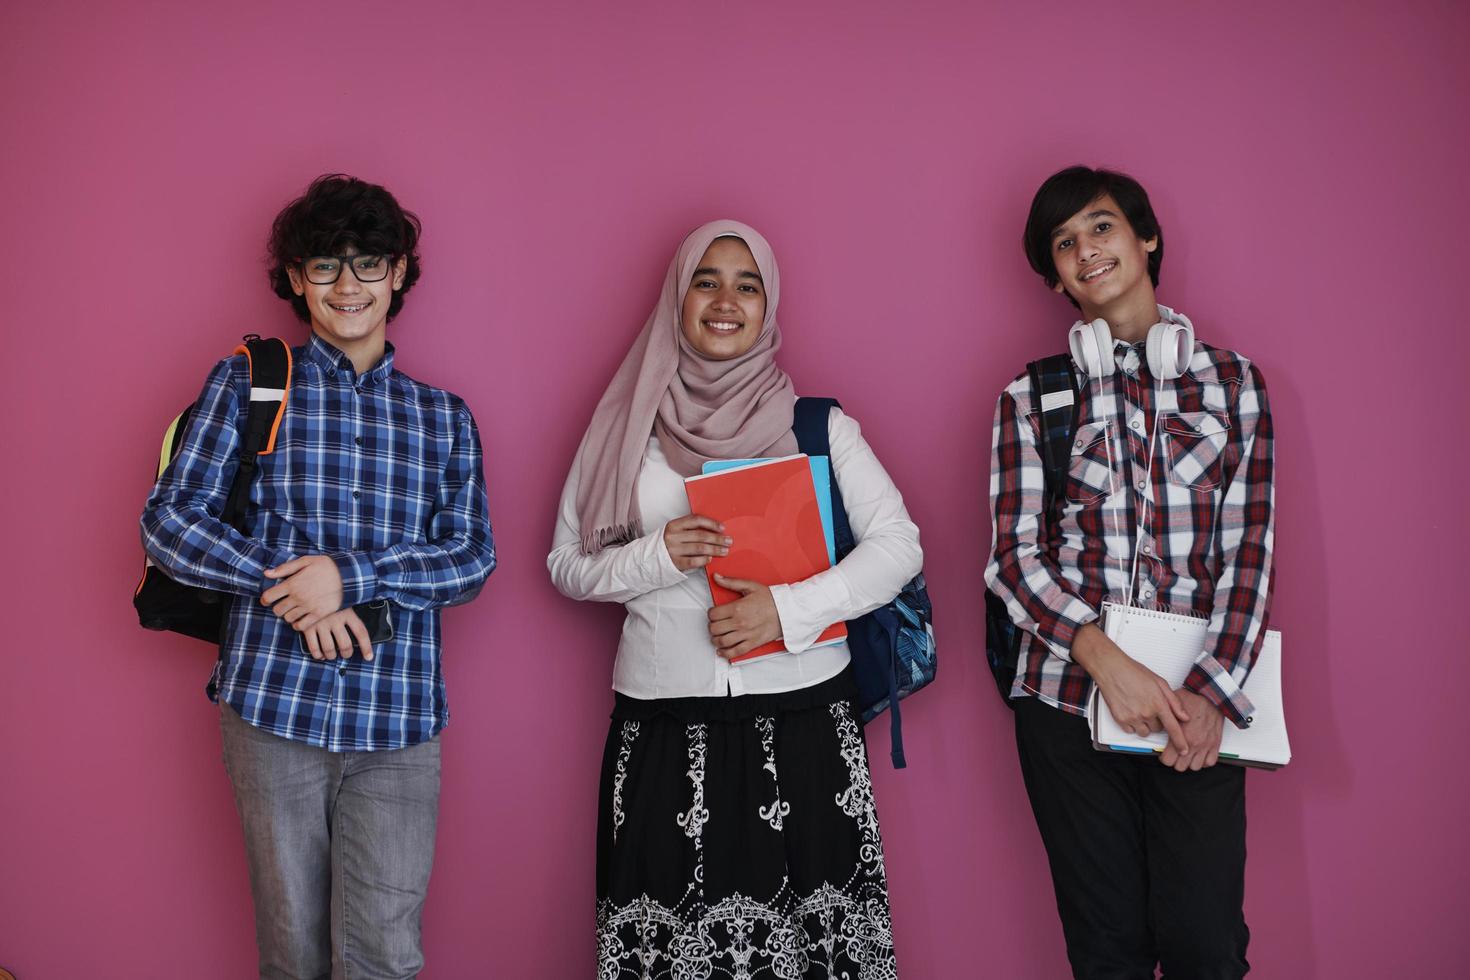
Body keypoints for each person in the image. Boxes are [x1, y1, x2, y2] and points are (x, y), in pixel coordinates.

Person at [141, 174, 496, 978]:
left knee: (386, 958)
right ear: (296, 278)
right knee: (292, 955)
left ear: (399, 273)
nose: (348, 285)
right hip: (272, 713)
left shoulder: (445, 417)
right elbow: (168, 520)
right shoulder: (251, 383)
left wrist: (349, 576)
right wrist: (290, 586)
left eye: (368, 263)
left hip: (399, 725)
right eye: (325, 265)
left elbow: (472, 557)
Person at [547, 219, 921, 978]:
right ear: (677, 298)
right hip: (661, 723)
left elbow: (899, 548)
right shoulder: (624, 429)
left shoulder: (817, 427)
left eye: (746, 285)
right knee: (673, 954)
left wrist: (783, 613)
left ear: (768, 304)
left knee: (814, 952)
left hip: (806, 719)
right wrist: (657, 554)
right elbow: (566, 565)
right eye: (705, 281)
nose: (726, 300)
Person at [985, 166, 1275, 979]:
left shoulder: (1234, 385)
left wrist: (1212, 697)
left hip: (1194, 710)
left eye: (1101, 227)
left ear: (1146, 238)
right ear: (1056, 278)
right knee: (1105, 951)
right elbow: (1013, 559)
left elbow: (1250, 552)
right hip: (1066, 702)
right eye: (1065, 243)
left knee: (1206, 947)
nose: (1087, 250)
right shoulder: (1029, 397)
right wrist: (1105, 660)